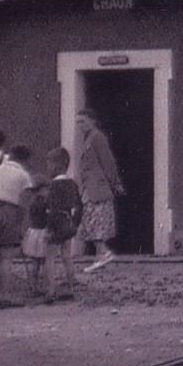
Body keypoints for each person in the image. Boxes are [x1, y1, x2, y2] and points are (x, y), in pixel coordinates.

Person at [0, 143, 36, 307]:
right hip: (9, 211)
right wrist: (23, 225)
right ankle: (6, 296)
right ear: (25, 160)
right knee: (6, 258)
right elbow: (26, 202)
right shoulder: (23, 175)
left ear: (11, 155)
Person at [75, 109, 124, 272]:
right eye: (78, 122)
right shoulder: (88, 138)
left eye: (83, 121)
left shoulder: (97, 137)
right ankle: (100, 256)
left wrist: (115, 182)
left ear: (92, 120)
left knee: (95, 221)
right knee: (91, 221)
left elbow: (107, 161)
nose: (80, 125)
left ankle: (104, 253)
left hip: (97, 187)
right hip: (89, 187)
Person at [37, 147, 83, 301]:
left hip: (55, 224)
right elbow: (79, 205)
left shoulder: (53, 186)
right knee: (66, 256)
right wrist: (74, 224)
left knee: (49, 258)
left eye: (49, 164)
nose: (48, 167)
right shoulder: (72, 184)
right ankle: (70, 287)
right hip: (68, 223)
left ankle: (50, 290)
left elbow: (50, 208)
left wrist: (48, 228)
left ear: (57, 166)